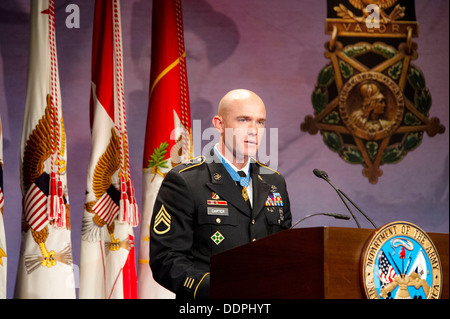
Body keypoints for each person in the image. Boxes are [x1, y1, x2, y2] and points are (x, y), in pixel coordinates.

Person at [149, 89, 292, 299]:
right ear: (219, 124)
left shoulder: (274, 181)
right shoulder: (185, 180)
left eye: (260, 122)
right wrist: (223, 287)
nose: (254, 130)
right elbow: (166, 260)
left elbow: (285, 252)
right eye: (244, 120)